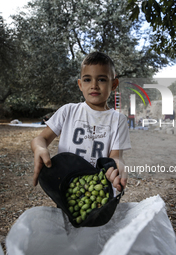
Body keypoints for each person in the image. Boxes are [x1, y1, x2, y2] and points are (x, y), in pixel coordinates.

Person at [31, 52, 131, 192]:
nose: (94, 85)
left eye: (101, 79)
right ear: (80, 84)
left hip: (100, 191)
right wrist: (39, 148)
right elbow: (41, 138)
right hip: (67, 189)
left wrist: (117, 167)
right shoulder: (68, 111)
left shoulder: (119, 120)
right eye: (87, 80)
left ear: (114, 84)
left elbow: (115, 157)